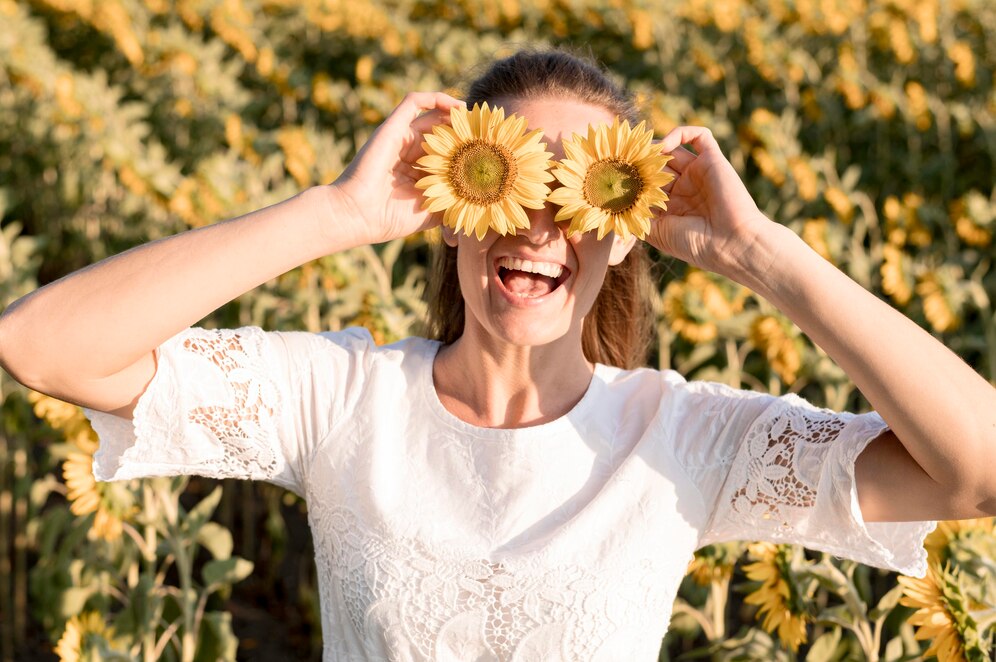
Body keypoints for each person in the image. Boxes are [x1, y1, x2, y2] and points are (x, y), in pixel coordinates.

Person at [1, 48, 993, 661]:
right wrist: (337, 212)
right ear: (447, 211)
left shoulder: (682, 438)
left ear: (628, 224)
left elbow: (979, 469)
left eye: (582, 194)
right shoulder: (341, 397)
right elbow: (40, 343)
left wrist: (764, 254)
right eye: (506, 182)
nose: (538, 223)